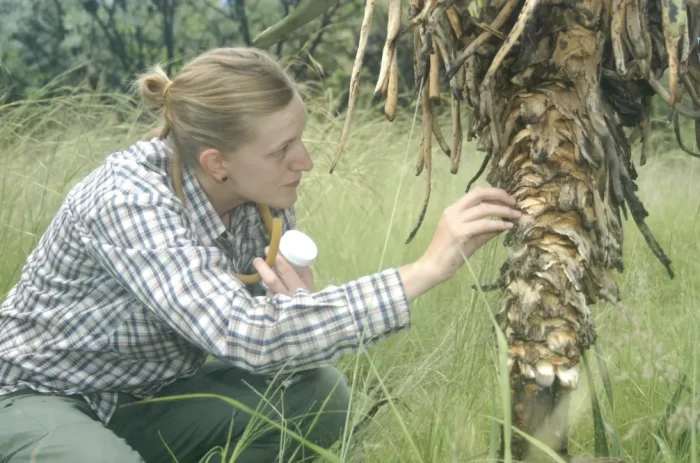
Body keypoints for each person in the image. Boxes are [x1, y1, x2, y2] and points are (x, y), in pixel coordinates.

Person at [0, 47, 521, 462]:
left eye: (300, 138)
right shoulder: (128, 201)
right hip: (39, 394)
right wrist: (425, 270)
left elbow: (273, 333)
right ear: (216, 162)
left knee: (317, 396)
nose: (307, 162)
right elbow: (244, 335)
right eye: (282, 149)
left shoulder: (260, 204)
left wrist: (296, 313)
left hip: (149, 396)